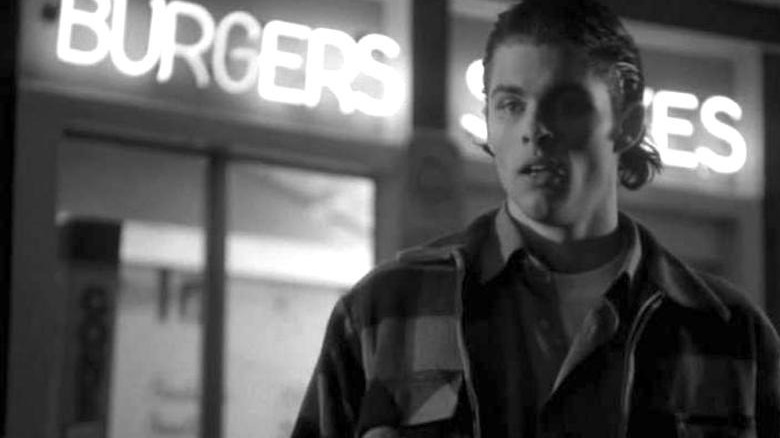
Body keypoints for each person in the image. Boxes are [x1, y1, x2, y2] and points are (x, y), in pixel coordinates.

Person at [292, 0, 780, 436]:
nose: (535, 130)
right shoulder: (383, 312)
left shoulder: (731, 332)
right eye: (510, 105)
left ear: (628, 124)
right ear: (488, 121)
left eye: (566, 105)